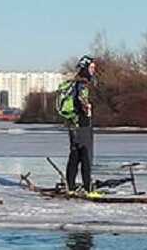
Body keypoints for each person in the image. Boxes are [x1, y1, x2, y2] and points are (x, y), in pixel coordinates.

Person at [65, 55, 97, 194]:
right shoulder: (83, 84)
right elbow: (82, 101)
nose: (93, 70)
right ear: (85, 69)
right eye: (91, 67)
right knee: (86, 155)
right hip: (82, 124)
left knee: (75, 154)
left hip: (73, 123)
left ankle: (71, 186)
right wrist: (88, 109)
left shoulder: (75, 83)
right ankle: (88, 188)